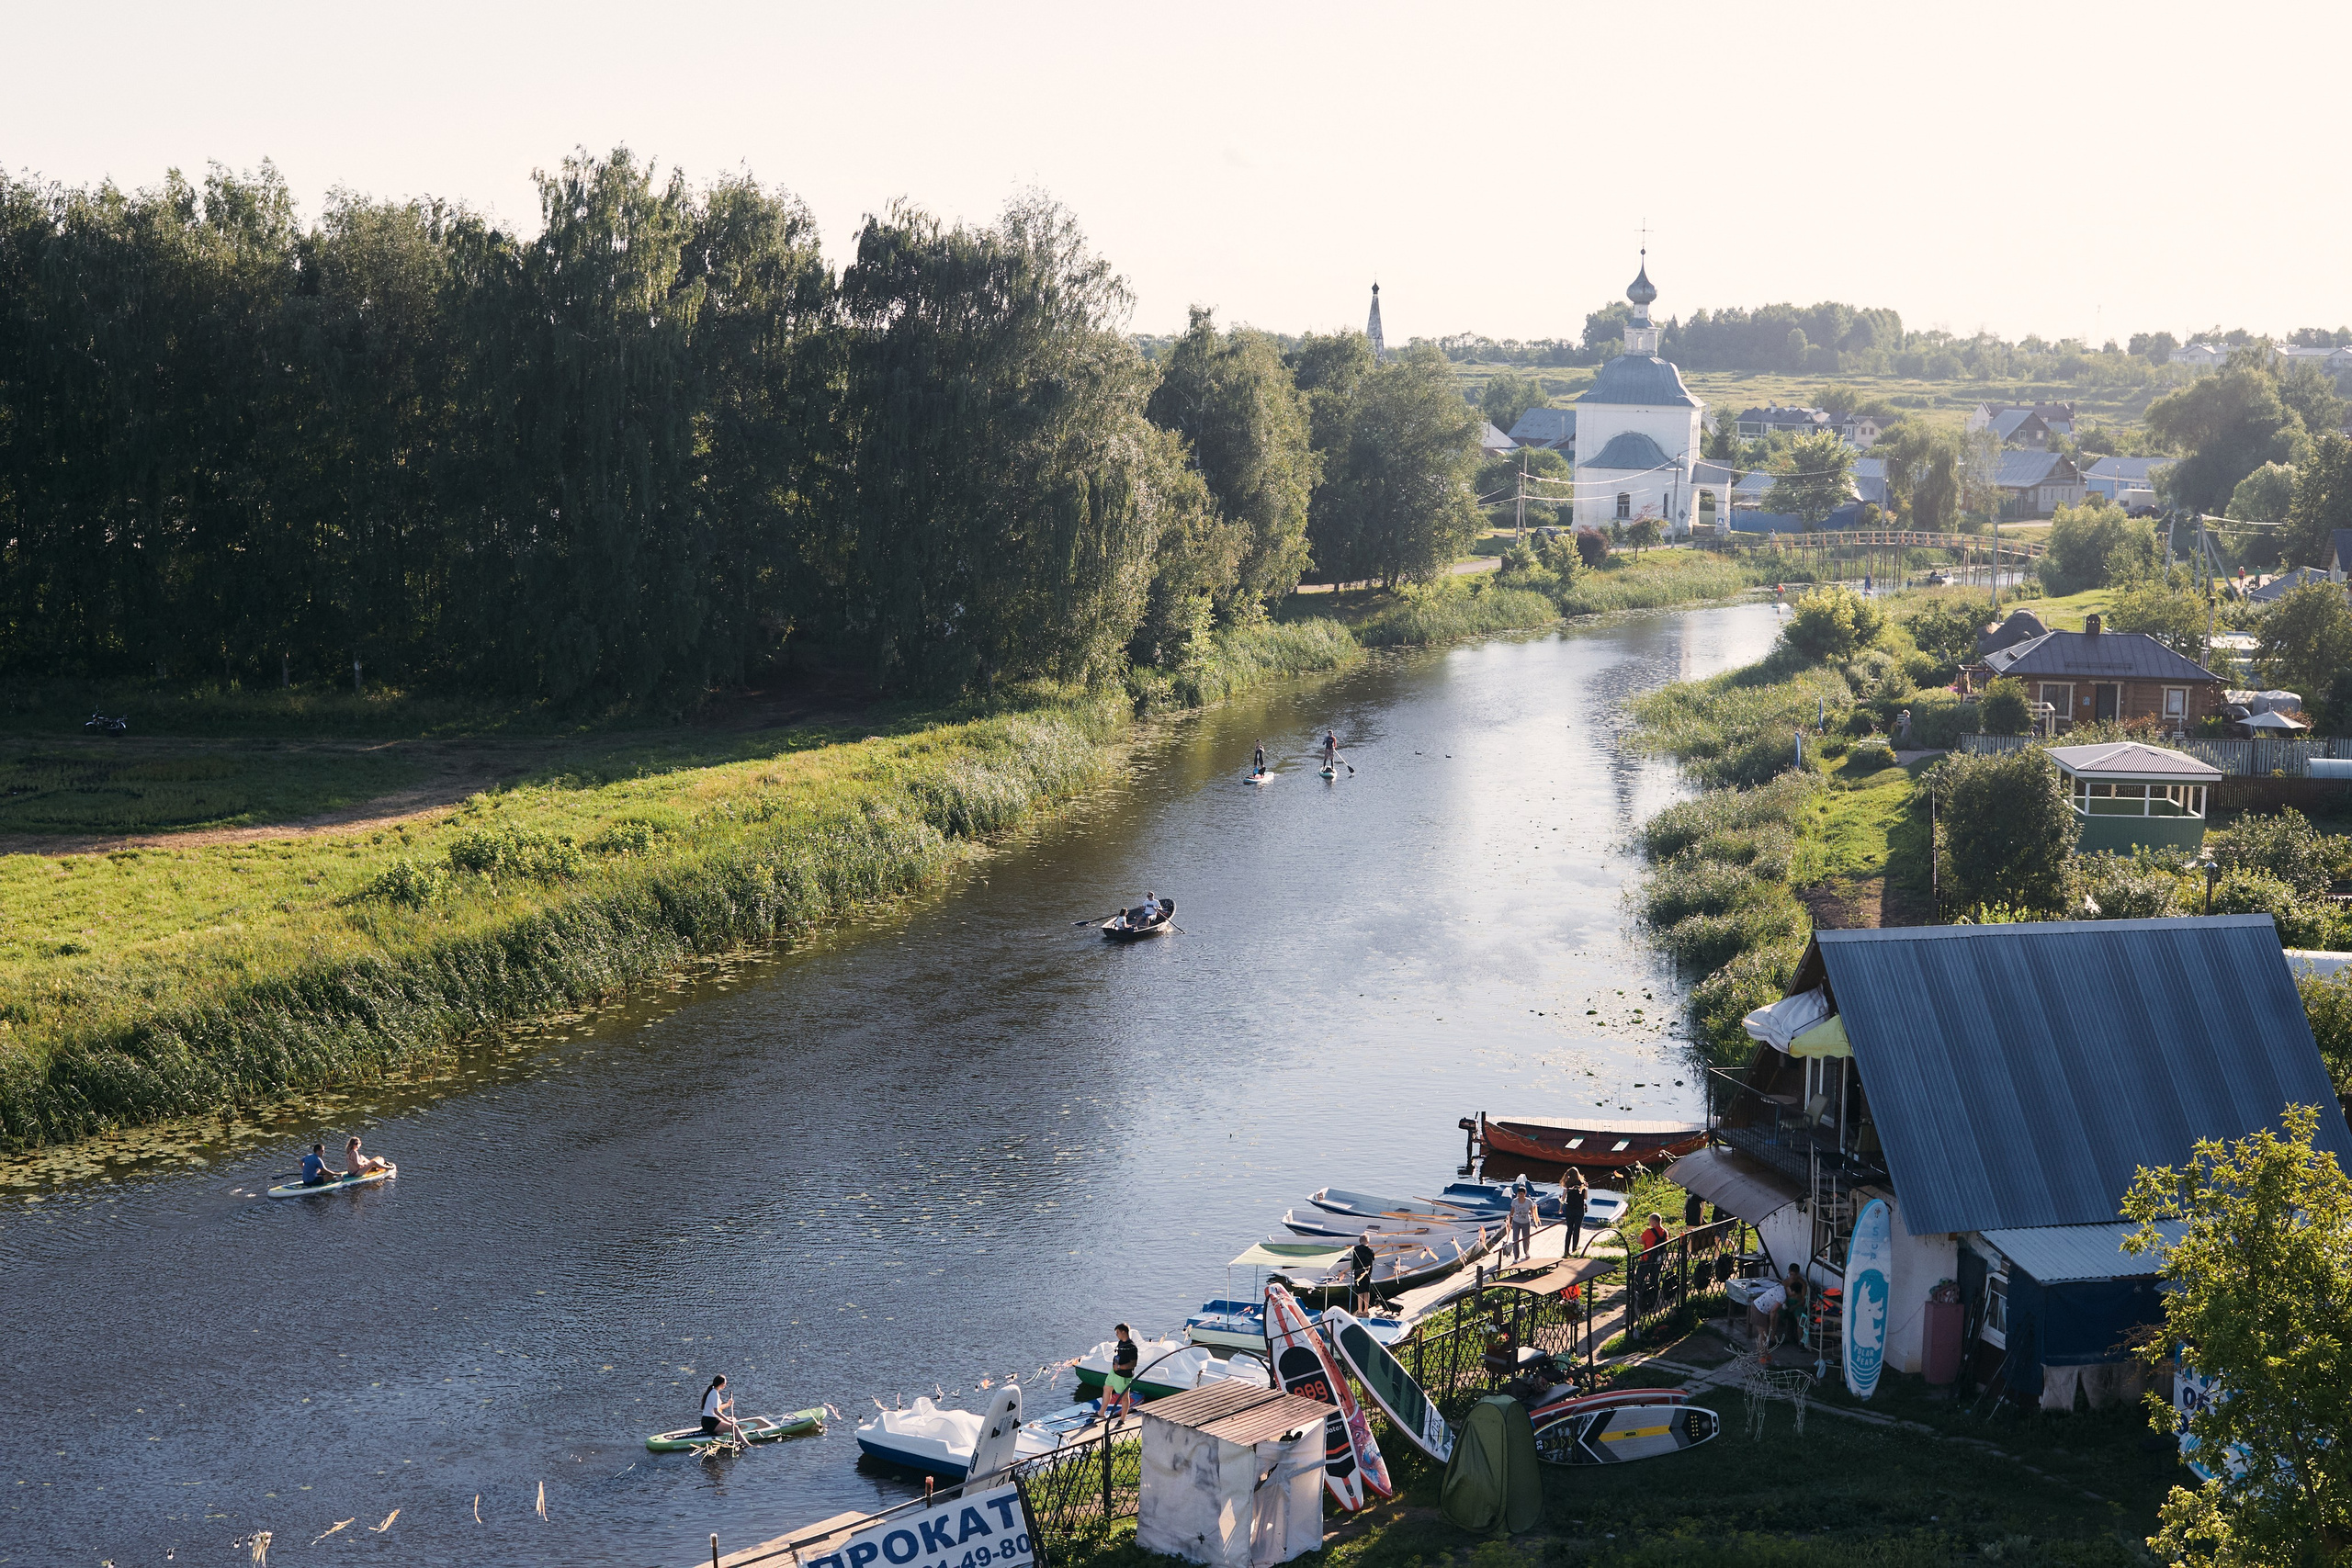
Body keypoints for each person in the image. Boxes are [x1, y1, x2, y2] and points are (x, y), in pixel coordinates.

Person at [1102, 1324, 1140, 1416]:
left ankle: (1122, 1419)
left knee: (1124, 1397)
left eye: (1117, 1332)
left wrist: (1119, 1367)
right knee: (1107, 1388)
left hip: (1124, 1375)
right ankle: (1101, 1413)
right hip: (1114, 1372)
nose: (1116, 1335)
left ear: (1123, 1332)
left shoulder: (1132, 1347)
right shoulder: (1121, 1342)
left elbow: (1133, 1364)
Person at [701, 1373, 745, 1441]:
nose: (725, 1385)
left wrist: (728, 1404)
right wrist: (728, 1421)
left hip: (709, 1420)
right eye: (725, 1383)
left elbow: (718, 1407)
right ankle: (748, 1445)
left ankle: (717, 1433)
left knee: (733, 1418)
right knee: (735, 1428)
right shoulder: (714, 1394)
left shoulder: (713, 1391)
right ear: (721, 1384)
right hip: (710, 1422)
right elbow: (716, 1411)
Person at [1507, 1179, 1535, 1264]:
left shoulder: (1529, 1201)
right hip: (1516, 1221)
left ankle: (1526, 1252)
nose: (1520, 1195)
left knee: (1526, 1238)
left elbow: (1532, 1211)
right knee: (1515, 1239)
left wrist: (1535, 1221)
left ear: (1525, 1194)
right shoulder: (1515, 1201)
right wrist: (1509, 1221)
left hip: (1526, 1222)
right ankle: (1516, 1257)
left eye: (1521, 1194)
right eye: (1518, 1194)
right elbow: (1512, 1212)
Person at [1561, 1169, 1589, 1257]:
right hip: (1579, 1209)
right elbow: (1585, 1198)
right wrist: (1586, 1189)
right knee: (1577, 1229)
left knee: (1569, 1229)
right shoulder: (1583, 1184)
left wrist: (1560, 1209)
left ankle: (1566, 1250)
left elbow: (1563, 1198)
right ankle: (1574, 1249)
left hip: (1569, 1209)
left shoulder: (1567, 1184)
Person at [1351, 1232, 1376, 1314]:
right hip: (1368, 1272)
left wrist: (1353, 1268)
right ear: (1367, 1241)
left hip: (1358, 1273)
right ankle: (1366, 1310)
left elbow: (1353, 1262)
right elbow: (1373, 1258)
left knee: (1359, 1292)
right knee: (1366, 1291)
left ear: (1360, 1241)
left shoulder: (1356, 1249)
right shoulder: (1370, 1250)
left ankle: (1359, 1310)